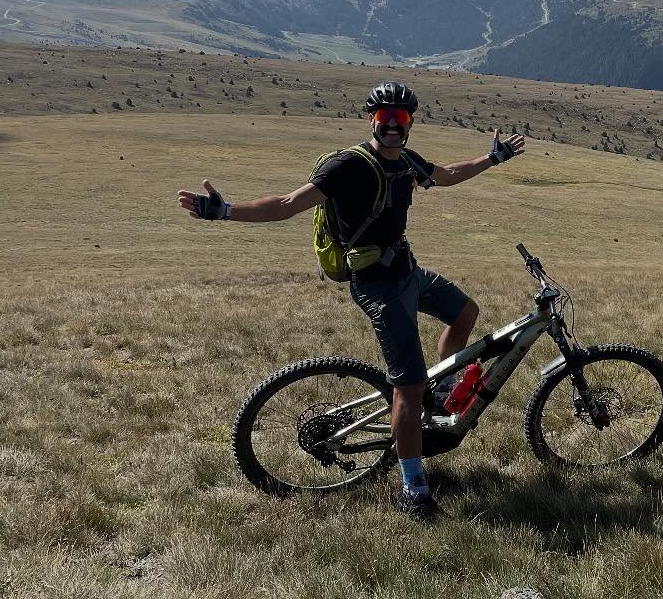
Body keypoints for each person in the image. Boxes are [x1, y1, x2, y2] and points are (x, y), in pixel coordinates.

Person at [177, 80, 525, 520]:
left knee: (465, 313)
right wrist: (224, 211)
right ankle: (414, 490)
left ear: (411, 124)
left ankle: (437, 391)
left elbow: (448, 175)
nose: (394, 126)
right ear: (371, 121)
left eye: (402, 118)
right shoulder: (347, 166)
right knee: (407, 387)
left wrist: (493, 158)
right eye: (386, 118)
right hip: (377, 286)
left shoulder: (408, 161)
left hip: (409, 272)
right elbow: (286, 204)